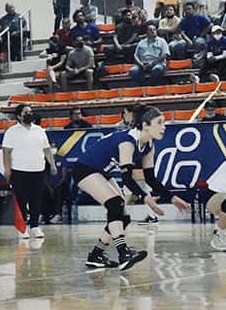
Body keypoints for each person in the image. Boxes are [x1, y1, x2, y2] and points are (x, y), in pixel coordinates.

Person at [74, 105, 189, 270]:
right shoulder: (127, 141)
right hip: (85, 168)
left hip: (102, 172)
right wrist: (145, 198)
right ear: (145, 125)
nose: (164, 127)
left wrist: (172, 197)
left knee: (124, 216)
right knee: (115, 204)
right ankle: (123, 254)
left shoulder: (149, 145)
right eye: (159, 122)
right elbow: (127, 178)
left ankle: (96, 256)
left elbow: (150, 178)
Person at [2, 104, 58, 240]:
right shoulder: (11, 131)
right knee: (21, 201)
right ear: (19, 116)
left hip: (38, 170)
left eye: (31, 112)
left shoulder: (39, 130)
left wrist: (52, 164)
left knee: (36, 200)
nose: (30, 114)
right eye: (26, 112)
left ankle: (35, 227)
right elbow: (6, 152)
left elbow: (46, 149)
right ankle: (22, 229)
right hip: (20, 171)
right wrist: (7, 169)